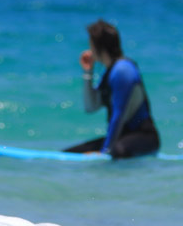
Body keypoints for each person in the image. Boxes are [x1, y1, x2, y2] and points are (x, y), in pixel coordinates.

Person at [64, 19, 160, 159]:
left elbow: (118, 115)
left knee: (118, 151)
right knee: (69, 153)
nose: (89, 48)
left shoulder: (123, 70)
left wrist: (105, 152)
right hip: (121, 137)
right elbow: (91, 107)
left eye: (90, 43)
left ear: (98, 46)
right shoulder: (110, 72)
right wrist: (88, 73)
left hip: (144, 138)